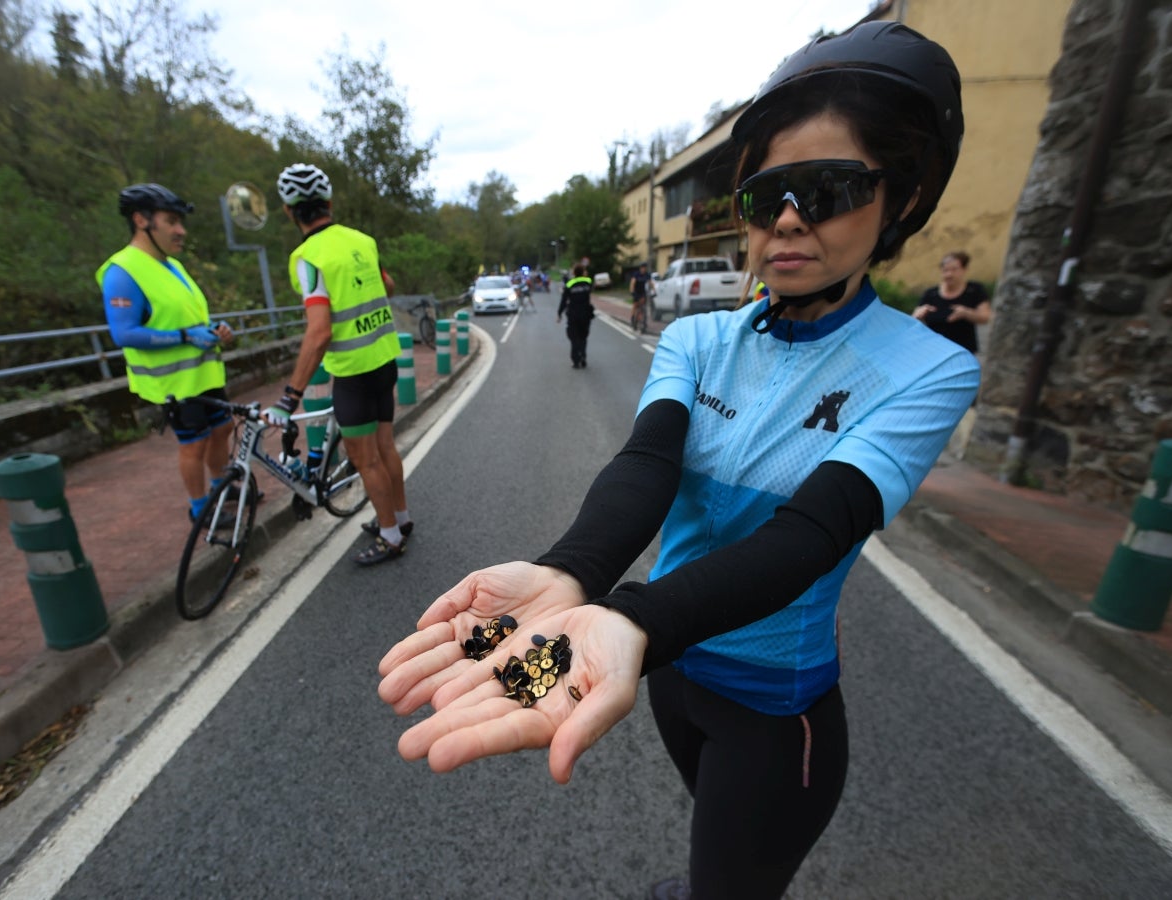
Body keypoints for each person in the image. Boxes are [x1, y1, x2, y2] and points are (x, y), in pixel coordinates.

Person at [378, 21, 978, 899]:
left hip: (774, 706)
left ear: (905, 199)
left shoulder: (928, 368)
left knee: (731, 882)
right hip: (664, 666)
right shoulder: (697, 337)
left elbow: (810, 533)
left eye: (829, 189)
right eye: (767, 194)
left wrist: (632, 621)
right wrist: (570, 577)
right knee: (719, 859)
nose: (785, 220)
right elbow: (647, 465)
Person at [266, 163, 412, 566]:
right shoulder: (362, 240)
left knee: (366, 459)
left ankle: (389, 537)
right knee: (386, 446)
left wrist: (290, 395)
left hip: (352, 371)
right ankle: (401, 519)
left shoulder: (307, 257)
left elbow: (318, 332)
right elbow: (388, 285)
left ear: (288, 211)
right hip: (384, 359)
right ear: (328, 203)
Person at [98, 183, 235, 523]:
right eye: (171, 221)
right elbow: (124, 333)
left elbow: (182, 315)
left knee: (223, 429)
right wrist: (186, 336)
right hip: (174, 382)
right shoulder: (123, 271)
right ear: (142, 220)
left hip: (203, 374)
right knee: (194, 443)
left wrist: (215, 330)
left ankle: (222, 485)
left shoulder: (171, 265)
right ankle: (201, 509)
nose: (180, 230)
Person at [912, 250, 992, 353]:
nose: (949, 274)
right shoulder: (930, 294)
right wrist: (918, 316)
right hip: (935, 352)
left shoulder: (974, 290)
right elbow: (914, 319)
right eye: (945, 270)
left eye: (954, 269)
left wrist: (966, 313)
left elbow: (985, 317)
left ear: (964, 269)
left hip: (964, 352)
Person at [557, 263, 595, 368]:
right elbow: (591, 288)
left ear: (574, 272)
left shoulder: (569, 284)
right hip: (585, 314)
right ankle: (583, 355)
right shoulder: (588, 282)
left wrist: (559, 313)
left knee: (574, 337)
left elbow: (564, 300)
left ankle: (576, 360)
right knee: (583, 336)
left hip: (573, 315)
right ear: (583, 272)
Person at [629, 262, 654, 332]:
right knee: (635, 305)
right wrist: (632, 291)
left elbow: (650, 283)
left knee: (642, 306)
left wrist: (654, 291)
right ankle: (632, 318)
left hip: (642, 292)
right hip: (636, 292)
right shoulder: (636, 274)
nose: (644, 269)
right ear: (640, 268)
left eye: (645, 268)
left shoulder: (647, 275)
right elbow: (632, 283)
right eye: (643, 268)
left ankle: (642, 320)